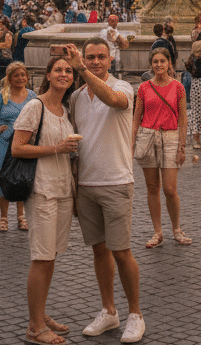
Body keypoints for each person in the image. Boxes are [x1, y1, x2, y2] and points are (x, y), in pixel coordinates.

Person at [65, 39, 145, 343]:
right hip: (86, 184)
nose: (95, 61)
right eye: (89, 57)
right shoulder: (75, 97)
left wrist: (83, 71)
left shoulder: (124, 86)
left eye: (100, 57)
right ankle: (109, 311)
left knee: (121, 251)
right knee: (99, 250)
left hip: (116, 181)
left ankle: (135, 314)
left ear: (110, 59)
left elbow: (112, 100)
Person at [11, 55, 79, 345]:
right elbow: (17, 148)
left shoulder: (64, 110)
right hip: (41, 190)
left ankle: (38, 315)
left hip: (63, 189)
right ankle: (35, 328)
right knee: (41, 258)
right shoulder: (34, 106)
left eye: (68, 70)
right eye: (58, 70)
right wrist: (57, 148)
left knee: (50, 258)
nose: (64, 74)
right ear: (48, 75)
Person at [132, 47, 190, 248]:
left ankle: (176, 228)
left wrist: (182, 146)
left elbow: (183, 119)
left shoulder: (178, 87)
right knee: (152, 187)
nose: (158, 65)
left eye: (162, 61)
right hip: (148, 135)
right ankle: (158, 232)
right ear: (151, 64)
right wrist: (131, 144)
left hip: (171, 136)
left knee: (169, 188)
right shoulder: (144, 88)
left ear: (169, 64)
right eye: (155, 61)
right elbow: (136, 117)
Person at [0, 62, 36, 232]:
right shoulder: (4, 95)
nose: (21, 78)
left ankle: (21, 217)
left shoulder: (32, 96)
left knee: (21, 177)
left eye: (23, 75)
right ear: (10, 79)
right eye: (16, 75)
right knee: (3, 178)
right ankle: (3, 218)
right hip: (4, 142)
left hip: (23, 142)